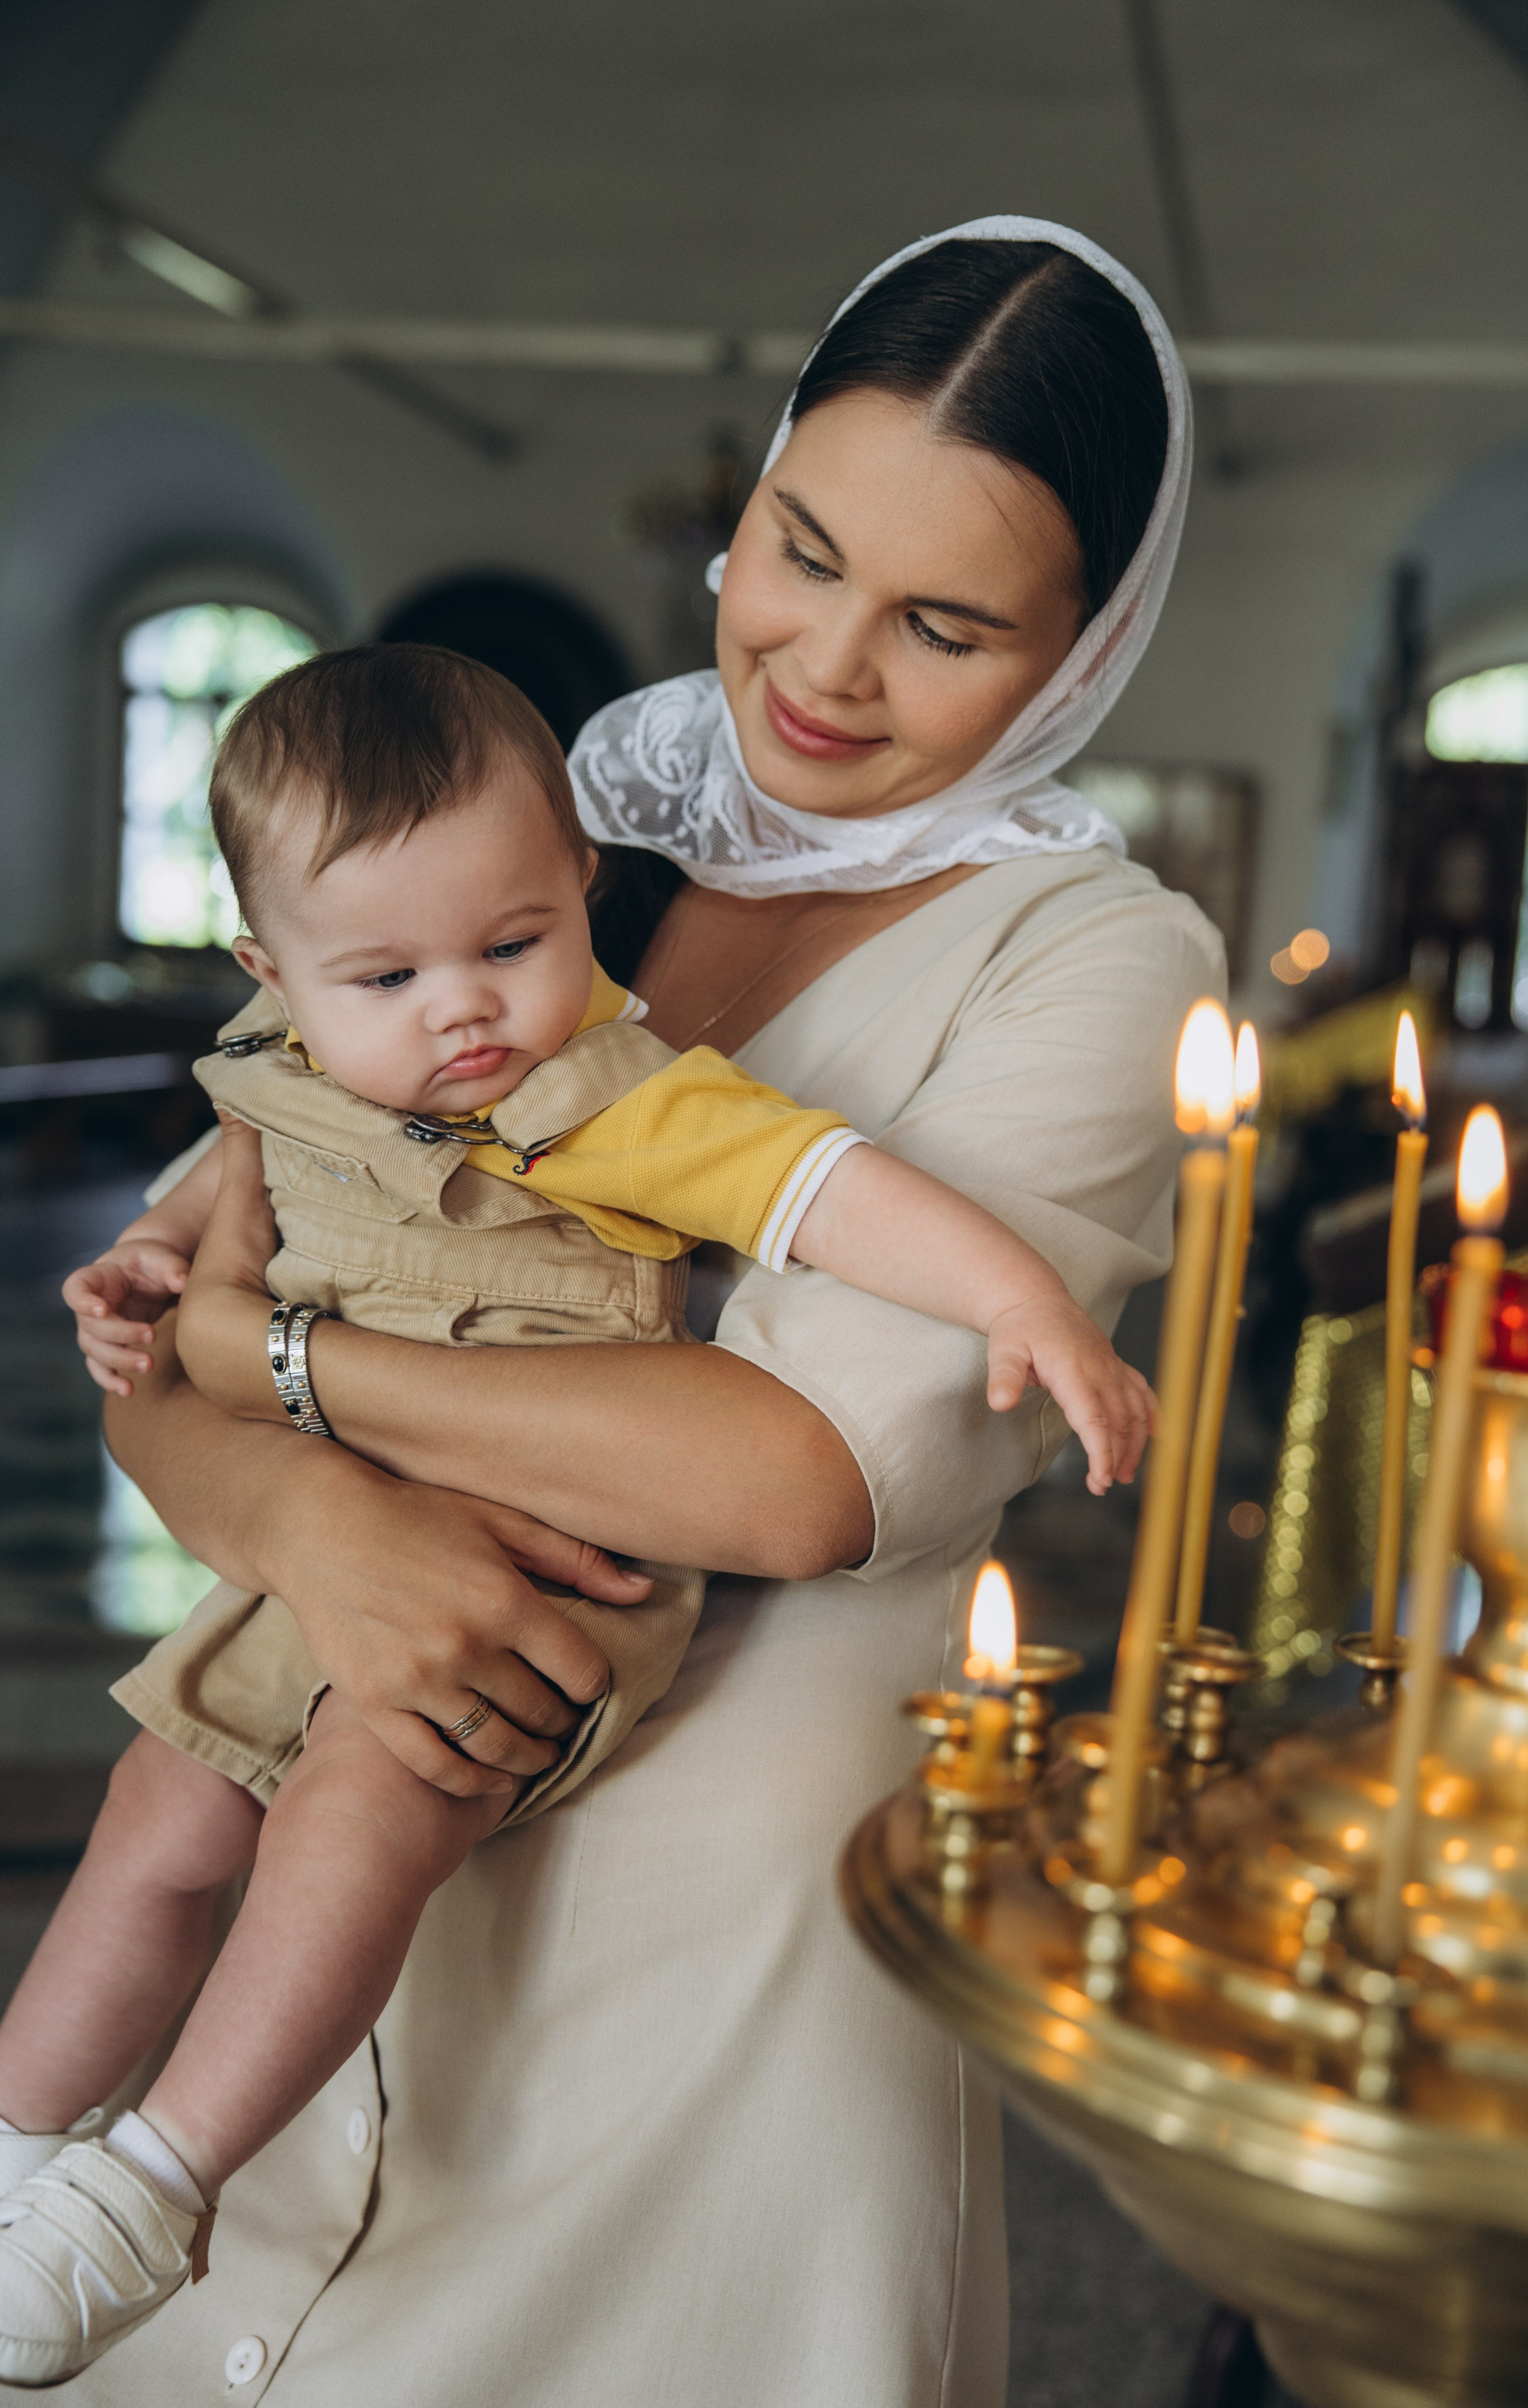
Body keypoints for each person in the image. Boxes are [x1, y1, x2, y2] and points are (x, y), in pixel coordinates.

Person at [49, 218, 1223, 2407]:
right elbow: (173, 1324)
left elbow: (793, 1480)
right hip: (342, 1821)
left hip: (718, 1930)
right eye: (800, 548)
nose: (828, 669)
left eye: (947, 627)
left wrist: (281, 1378)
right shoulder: (556, 823)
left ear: (1086, 650)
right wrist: (311, 1522)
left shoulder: (1098, 955)